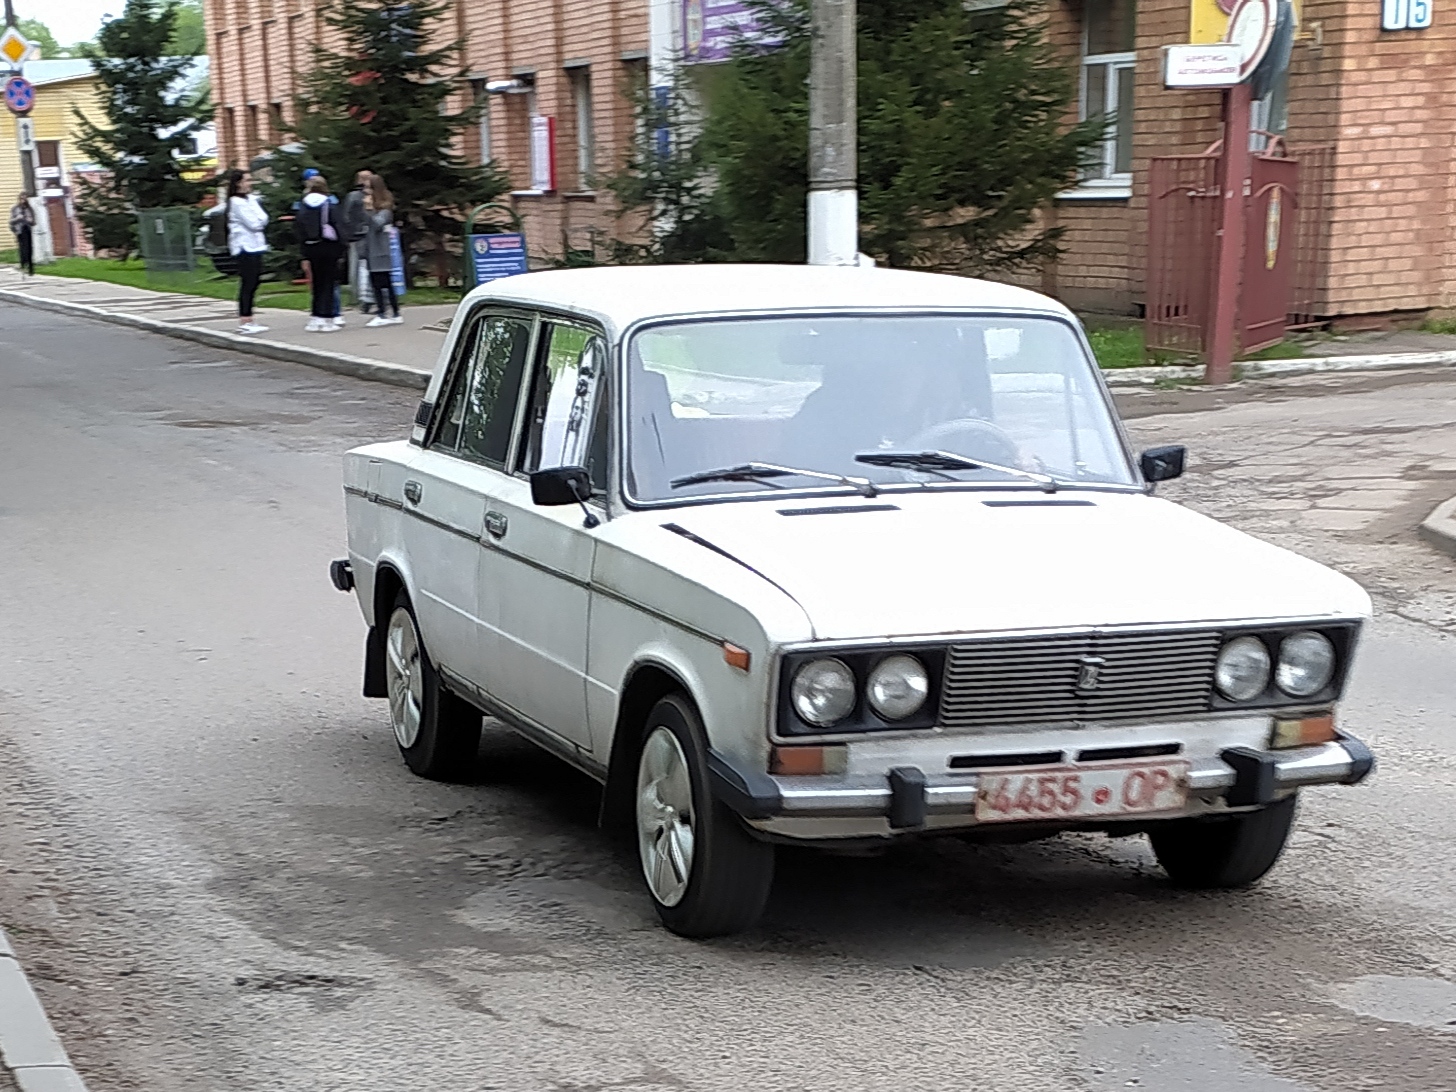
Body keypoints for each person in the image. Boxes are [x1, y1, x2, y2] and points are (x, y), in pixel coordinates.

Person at [294, 175, 345, 332]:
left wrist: (303, 252)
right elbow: (338, 225)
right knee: (329, 283)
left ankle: (316, 317)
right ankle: (328, 318)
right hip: (328, 246)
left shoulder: (303, 205)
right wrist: (343, 245)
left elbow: (298, 229)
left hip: (311, 246)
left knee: (316, 283)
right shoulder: (329, 204)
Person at [225, 170, 270, 335]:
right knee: (248, 282)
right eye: (247, 180)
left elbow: (264, 218)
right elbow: (254, 223)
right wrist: (259, 221)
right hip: (244, 246)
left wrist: (259, 220)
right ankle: (245, 319)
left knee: (255, 281)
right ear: (238, 183)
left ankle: (250, 318)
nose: (250, 183)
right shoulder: (235, 202)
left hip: (257, 245)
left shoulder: (251, 199)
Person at [363, 175, 403, 327]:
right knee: (380, 283)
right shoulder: (376, 209)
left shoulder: (385, 210)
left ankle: (384, 313)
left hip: (380, 252)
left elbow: (377, 224)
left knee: (382, 283)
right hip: (372, 250)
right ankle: (392, 312)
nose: (366, 192)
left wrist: (368, 210)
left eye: (368, 188)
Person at [340, 169, 373, 313]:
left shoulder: (353, 196)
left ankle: (359, 296)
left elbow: (345, 217)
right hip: (364, 234)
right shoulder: (371, 195)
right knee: (364, 267)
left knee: (358, 267)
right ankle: (363, 297)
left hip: (358, 235)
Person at [9, 193, 35, 277]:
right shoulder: (15, 209)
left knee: (29, 249)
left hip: (27, 229)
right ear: (19, 199)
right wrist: (17, 218)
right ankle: (23, 264)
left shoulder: (29, 209)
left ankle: (30, 268)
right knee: (22, 249)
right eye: (22, 199)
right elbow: (11, 222)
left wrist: (30, 220)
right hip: (19, 230)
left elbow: (34, 222)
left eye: (25, 199)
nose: (23, 201)